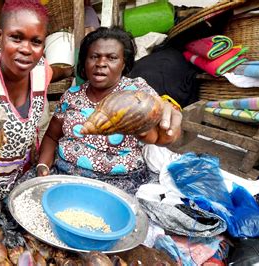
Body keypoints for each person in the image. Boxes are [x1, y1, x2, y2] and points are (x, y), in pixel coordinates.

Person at [36, 27, 182, 194]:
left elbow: (162, 119)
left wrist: (168, 125)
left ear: (124, 63)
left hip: (119, 184)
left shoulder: (136, 92)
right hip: (65, 174)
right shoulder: (71, 96)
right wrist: (42, 165)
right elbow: (51, 136)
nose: (101, 64)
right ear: (84, 62)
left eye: (112, 58)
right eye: (94, 57)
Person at [0, 0, 72, 206]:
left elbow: (55, 72)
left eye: (36, 42)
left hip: (27, 169)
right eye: (16, 38)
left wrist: (70, 70)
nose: (26, 49)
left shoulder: (40, 69)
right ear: (0, 36)